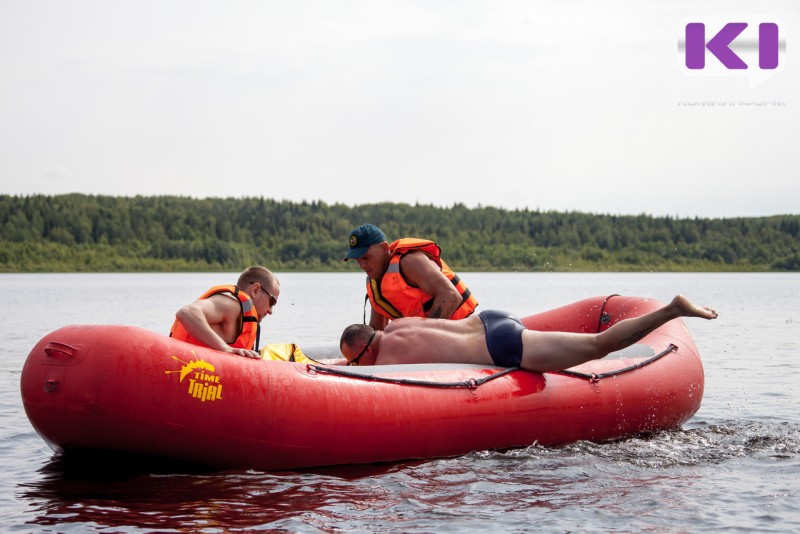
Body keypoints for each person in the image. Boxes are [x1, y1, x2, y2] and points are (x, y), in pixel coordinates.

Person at [339, 295, 718, 371]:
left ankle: (672, 309)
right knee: (591, 344)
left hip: (501, 346)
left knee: (598, 346)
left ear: (364, 353)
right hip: (489, 319)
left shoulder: (386, 361)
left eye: (354, 359)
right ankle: (672, 308)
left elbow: (360, 379)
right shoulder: (399, 326)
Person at [343, 223, 478, 331]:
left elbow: (451, 296)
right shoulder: (374, 280)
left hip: (462, 331)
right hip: (427, 340)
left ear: (384, 248)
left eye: (366, 257)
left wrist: (422, 340)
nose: (362, 265)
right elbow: (378, 329)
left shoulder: (409, 261)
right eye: (357, 260)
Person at [170, 266, 280, 359]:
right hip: (177, 365)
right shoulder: (231, 305)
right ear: (255, 290)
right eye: (272, 302)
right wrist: (225, 349)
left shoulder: (245, 318)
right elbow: (186, 312)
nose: (271, 311)